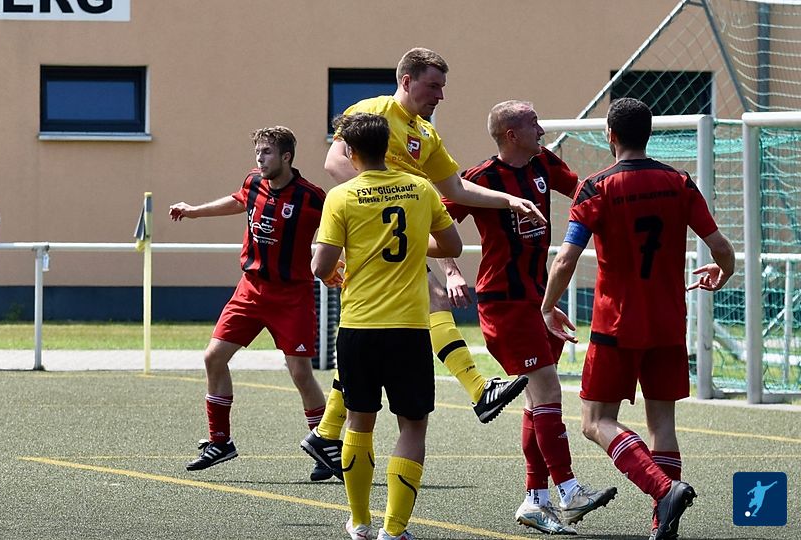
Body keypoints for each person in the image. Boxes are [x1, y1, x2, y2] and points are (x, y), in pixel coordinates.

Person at [302, 47, 537, 479]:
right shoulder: (373, 111)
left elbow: (456, 189)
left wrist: (508, 200)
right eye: (433, 86)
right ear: (407, 81)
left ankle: (327, 433)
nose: (441, 96)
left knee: (403, 321)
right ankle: (477, 390)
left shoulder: (424, 133)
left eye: (443, 87)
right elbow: (334, 162)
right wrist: (382, 200)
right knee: (423, 308)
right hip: (371, 235)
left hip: (391, 234)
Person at [541, 98, 736, 540]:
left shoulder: (595, 187)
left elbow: (566, 259)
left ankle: (663, 490)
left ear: (610, 135)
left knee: (595, 421)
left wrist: (547, 306)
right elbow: (722, 248)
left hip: (616, 324)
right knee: (662, 424)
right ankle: (661, 521)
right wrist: (723, 272)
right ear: (649, 134)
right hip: (668, 322)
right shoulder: (679, 182)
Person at [443, 100, 617, 534]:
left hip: (538, 300)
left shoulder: (543, 163)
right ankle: (569, 490)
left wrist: (624, 191)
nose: (542, 130)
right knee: (547, 388)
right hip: (504, 301)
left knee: (536, 400)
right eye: (533, 124)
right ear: (511, 135)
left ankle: (535, 499)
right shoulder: (479, 179)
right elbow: (436, 224)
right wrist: (450, 271)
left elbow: (583, 191)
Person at [313, 112, 462, 540]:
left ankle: (360, 522)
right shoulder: (420, 189)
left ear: (350, 151)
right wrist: (415, 243)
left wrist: (331, 269)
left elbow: (322, 266)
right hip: (409, 329)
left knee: (359, 422)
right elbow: (452, 245)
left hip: (358, 327)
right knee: (412, 425)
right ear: (387, 145)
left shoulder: (340, 197)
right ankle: (394, 530)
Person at [169, 127, 330, 477]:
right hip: (251, 289)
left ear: (286, 157)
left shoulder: (311, 197)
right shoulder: (253, 182)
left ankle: (326, 446)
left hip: (291, 296)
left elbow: (340, 225)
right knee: (213, 357)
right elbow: (238, 200)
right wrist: (194, 211)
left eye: (267, 152)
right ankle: (220, 441)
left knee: (300, 373)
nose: (260, 158)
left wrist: (335, 260)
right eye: (258, 151)